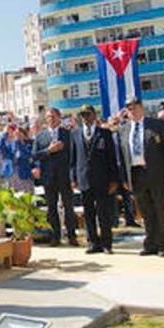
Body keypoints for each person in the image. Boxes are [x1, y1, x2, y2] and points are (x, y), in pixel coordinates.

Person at [120, 98, 164, 256]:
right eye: (129, 108)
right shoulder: (124, 129)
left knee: (161, 208)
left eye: (135, 107)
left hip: (157, 172)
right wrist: (125, 178)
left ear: (142, 108)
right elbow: (122, 156)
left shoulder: (156, 124)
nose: (132, 110)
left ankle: (163, 244)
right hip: (136, 174)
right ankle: (150, 243)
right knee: (146, 211)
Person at [70, 105, 121, 254]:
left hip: (102, 179)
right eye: (83, 115)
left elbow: (112, 158)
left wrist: (114, 180)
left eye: (88, 114)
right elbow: (73, 160)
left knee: (103, 213)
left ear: (94, 115)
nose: (86, 118)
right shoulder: (75, 134)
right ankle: (92, 242)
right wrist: (73, 178)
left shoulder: (104, 133)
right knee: (89, 213)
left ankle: (106, 243)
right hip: (84, 179)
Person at [32, 108, 77, 247]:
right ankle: (55, 236)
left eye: (53, 116)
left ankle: (71, 235)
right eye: (48, 117)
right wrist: (49, 150)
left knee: (69, 207)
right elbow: (35, 155)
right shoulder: (40, 136)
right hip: (49, 177)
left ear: (59, 117)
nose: (50, 119)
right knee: (51, 208)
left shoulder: (68, 134)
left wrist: (73, 176)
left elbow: (73, 155)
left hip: (64, 176)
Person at [0, 123, 34, 193]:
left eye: (20, 133)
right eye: (16, 133)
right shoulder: (10, 145)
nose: (18, 135)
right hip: (10, 175)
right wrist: (5, 133)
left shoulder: (29, 145)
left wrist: (18, 141)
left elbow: (25, 155)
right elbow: (0, 148)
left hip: (23, 175)